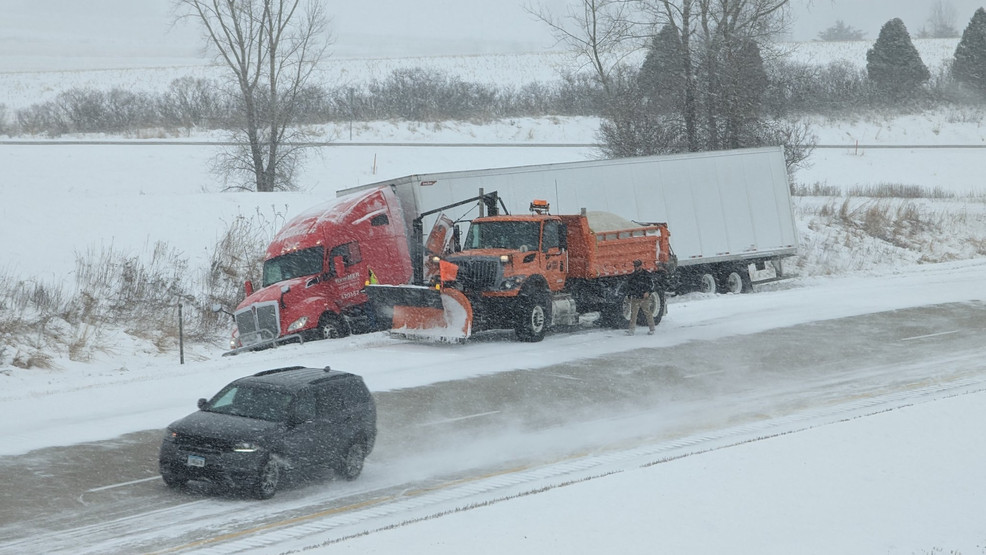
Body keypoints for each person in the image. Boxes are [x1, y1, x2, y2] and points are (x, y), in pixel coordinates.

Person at [625, 259, 656, 336]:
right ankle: (631, 330)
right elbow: (629, 286)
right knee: (633, 314)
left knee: (647, 313)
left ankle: (652, 328)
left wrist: (648, 292)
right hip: (635, 297)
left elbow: (652, 285)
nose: (636, 268)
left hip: (644, 298)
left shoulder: (646, 275)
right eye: (635, 266)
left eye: (637, 266)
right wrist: (629, 295)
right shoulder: (632, 276)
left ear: (641, 266)